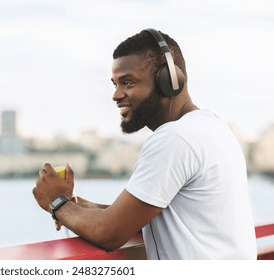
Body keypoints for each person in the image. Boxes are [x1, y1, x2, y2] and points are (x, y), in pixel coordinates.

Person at [32, 28, 257, 259]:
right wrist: (74, 205)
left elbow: (110, 232)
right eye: (115, 84)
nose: (116, 95)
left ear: (170, 81)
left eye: (127, 82)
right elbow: (137, 215)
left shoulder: (174, 138)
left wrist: (56, 202)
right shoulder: (211, 126)